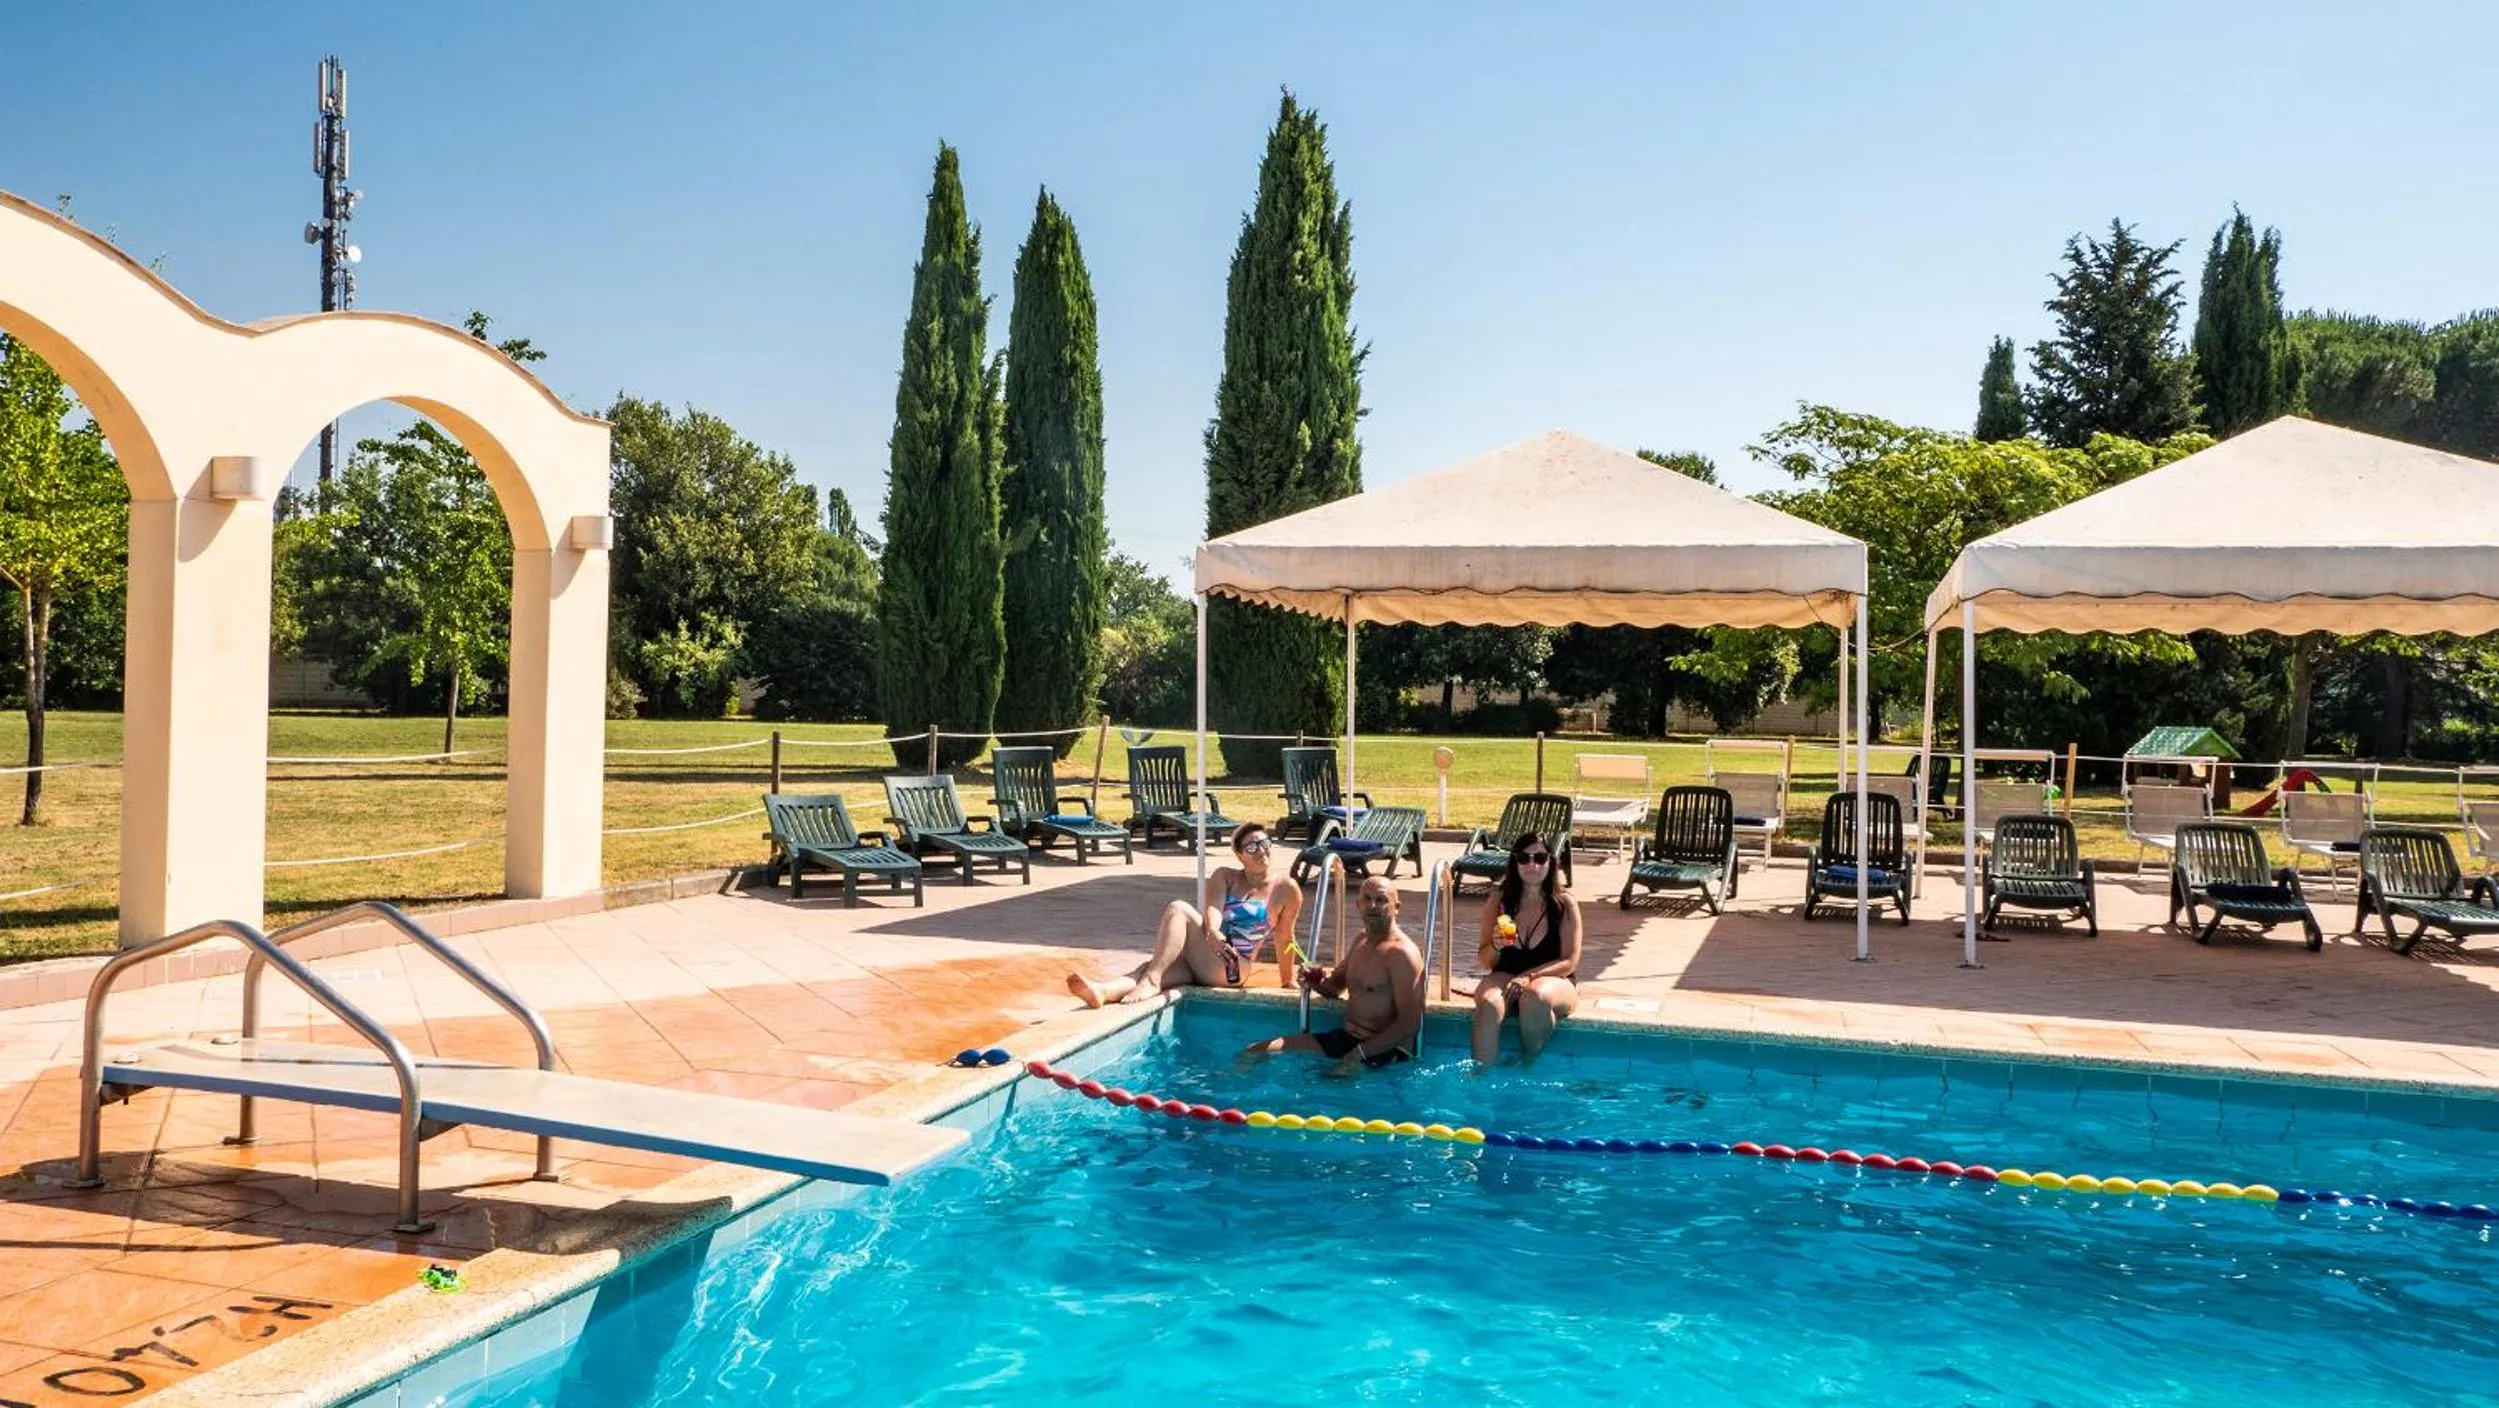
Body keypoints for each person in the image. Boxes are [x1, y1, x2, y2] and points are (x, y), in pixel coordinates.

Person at [1067, 821, 1303, 1007]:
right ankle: (1102, 992)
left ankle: (1152, 979)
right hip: (1207, 956)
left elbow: (1285, 937)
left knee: (1179, 908)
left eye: (1264, 843)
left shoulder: (1287, 888)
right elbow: (1213, 909)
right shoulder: (1225, 876)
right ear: (1240, 855)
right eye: (1252, 847)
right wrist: (1212, 931)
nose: (1261, 850)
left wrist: (1287, 980)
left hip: (1232, 967)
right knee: (1149, 967)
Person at [1244, 877, 1425, 1067]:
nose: (1373, 905)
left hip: (1384, 1051)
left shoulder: (1403, 955)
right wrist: (1312, 980)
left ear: (1396, 907)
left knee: (1329, 1084)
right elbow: (1335, 987)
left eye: (1381, 900)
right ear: (1358, 904)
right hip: (1346, 1039)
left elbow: (1410, 1023)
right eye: (1367, 899)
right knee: (1255, 1051)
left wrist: (1358, 1055)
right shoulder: (1361, 941)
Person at [1469, 832, 1580, 1063]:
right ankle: (1478, 1079)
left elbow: (1570, 961)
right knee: (1489, 1003)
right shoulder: (1499, 901)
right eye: (1524, 858)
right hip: (1504, 976)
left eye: (1539, 858)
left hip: (1555, 980)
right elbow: (1484, 959)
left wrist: (1528, 977)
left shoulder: (1563, 903)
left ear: (1551, 861)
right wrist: (1497, 947)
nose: (1532, 865)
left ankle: (1530, 1068)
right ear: (1515, 862)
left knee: (1534, 996)